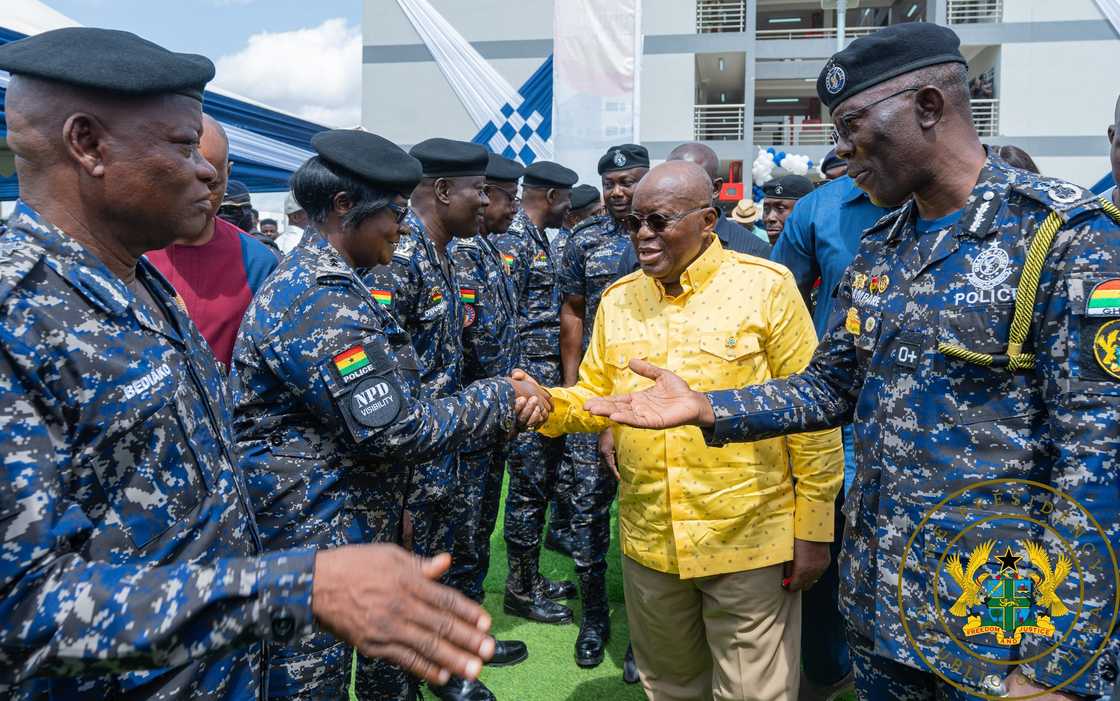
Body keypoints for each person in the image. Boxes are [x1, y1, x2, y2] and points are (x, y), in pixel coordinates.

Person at [587, 22, 1120, 701]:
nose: (839, 151)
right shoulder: (881, 244)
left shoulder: (1066, 240)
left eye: (851, 126)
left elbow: (1101, 467)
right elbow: (828, 387)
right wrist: (710, 406)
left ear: (929, 106)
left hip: (1002, 619)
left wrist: (1061, 662)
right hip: (883, 609)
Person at [0, 26, 496, 700]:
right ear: (87, 144)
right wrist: (295, 585)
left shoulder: (138, 283)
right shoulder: (17, 311)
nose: (207, 171)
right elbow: (20, 607)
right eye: (182, 144)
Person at [231, 130, 545, 700]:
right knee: (310, 684)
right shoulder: (320, 298)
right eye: (395, 214)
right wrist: (500, 396)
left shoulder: (338, 284)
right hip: (312, 539)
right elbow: (395, 428)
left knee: (385, 662)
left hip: (347, 517)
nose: (402, 230)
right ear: (346, 208)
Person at [525, 160, 843, 700]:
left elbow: (809, 413)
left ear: (707, 219)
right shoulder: (621, 297)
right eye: (633, 223)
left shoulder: (766, 287)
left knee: (754, 694)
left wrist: (813, 529)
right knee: (670, 688)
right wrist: (548, 403)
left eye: (659, 221)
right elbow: (599, 398)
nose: (642, 236)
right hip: (651, 539)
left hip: (746, 537)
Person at [360, 138, 513, 700]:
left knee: (432, 580)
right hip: (404, 468)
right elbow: (384, 390)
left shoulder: (442, 252)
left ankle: (436, 670)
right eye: (480, 190)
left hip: (437, 457)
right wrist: (396, 495)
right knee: (396, 605)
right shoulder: (398, 261)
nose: (487, 200)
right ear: (444, 190)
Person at [770, 128, 894, 701]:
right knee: (824, 540)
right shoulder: (818, 210)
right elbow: (779, 308)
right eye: (841, 132)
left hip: (948, 439)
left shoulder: (1022, 216)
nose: (849, 145)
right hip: (833, 413)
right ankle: (825, 667)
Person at [557, 144, 651, 669]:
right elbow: (572, 313)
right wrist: (576, 394)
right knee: (587, 514)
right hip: (595, 395)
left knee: (645, 514)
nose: (618, 192)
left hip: (649, 400)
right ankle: (595, 618)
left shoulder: (663, 235)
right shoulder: (582, 239)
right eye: (610, 182)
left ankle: (645, 633)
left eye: (629, 181)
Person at [445, 152, 532, 672]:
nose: (502, 206)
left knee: (476, 539)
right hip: (457, 430)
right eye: (498, 195)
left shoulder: (483, 248)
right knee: (453, 545)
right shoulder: (443, 252)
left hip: (489, 424)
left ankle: (470, 636)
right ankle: (450, 653)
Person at [491, 160, 580, 626]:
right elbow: (503, 320)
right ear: (551, 196)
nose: (569, 208)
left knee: (539, 487)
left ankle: (531, 578)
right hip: (526, 386)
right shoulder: (514, 241)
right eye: (566, 198)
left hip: (544, 384)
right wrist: (519, 380)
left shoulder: (537, 237)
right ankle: (520, 591)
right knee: (526, 490)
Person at [146, 114, 279, 372]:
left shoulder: (259, 262)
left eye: (211, 182)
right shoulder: (127, 250)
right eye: (183, 181)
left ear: (227, 173)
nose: (199, 194)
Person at [543, 183, 603, 559]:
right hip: (569, 368)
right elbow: (568, 310)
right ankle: (563, 528)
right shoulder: (573, 244)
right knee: (576, 471)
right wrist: (570, 379)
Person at [617, 142, 770, 275]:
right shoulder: (638, 250)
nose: (677, 184)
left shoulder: (755, 252)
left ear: (715, 188)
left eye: (692, 177)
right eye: (671, 175)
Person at [761, 174, 814, 246]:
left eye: (780, 208)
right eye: (766, 209)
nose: (770, 218)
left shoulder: (823, 253)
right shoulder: (757, 253)